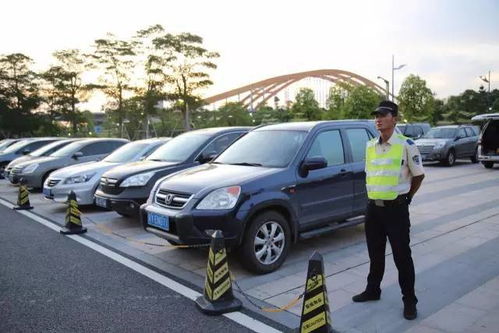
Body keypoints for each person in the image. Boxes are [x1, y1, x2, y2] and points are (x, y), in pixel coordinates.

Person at [352, 100, 425, 320]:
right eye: (376, 115)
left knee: (402, 257)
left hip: (396, 209)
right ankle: (373, 290)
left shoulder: (406, 144)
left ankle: (409, 301)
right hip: (373, 209)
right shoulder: (370, 145)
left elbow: (419, 175)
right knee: (375, 255)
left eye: (383, 115)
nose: (378, 119)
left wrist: (407, 197)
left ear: (394, 118)